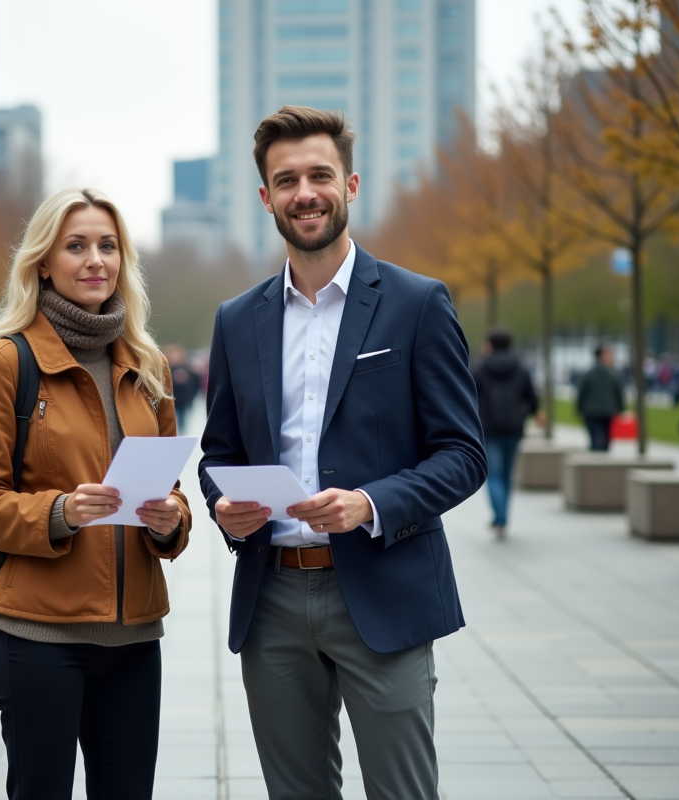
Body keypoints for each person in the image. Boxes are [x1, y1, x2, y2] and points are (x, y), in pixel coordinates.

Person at [198, 106, 487, 800]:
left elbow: (463, 452)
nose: (306, 193)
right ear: (266, 197)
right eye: (287, 179)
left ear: (350, 185)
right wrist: (222, 506)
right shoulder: (238, 320)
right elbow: (218, 450)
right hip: (272, 597)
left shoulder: (418, 304)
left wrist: (369, 504)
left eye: (320, 175)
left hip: (384, 591)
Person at [0, 188, 192, 800]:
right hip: (39, 636)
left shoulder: (149, 367)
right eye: (76, 245)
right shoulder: (4, 362)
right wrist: (60, 512)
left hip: (136, 637)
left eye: (108, 246)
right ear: (43, 261)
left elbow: (172, 492)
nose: (96, 260)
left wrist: (171, 520)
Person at [471, 327, 540, 540]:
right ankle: (503, 516)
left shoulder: (480, 369)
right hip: (514, 429)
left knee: (493, 474)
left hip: (489, 429)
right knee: (508, 474)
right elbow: (532, 399)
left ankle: (499, 518)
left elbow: (470, 397)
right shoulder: (521, 369)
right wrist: (526, 414)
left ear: (490, 344)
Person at [576, 343, 624, 452]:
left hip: (591, 411)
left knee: (594, 439)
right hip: (607, 411)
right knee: (605, 440)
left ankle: (596, 457)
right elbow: (618, 393)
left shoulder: (588, 374)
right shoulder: (613, 374)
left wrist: (579, 410)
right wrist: (620, 410)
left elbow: (581, 393)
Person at [163, 344, 200, 433]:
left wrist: (190, 400)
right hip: (169, 400)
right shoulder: (165, 369)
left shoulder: (188, 369)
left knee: (182, 424)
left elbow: (194, 385)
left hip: (182, 401)